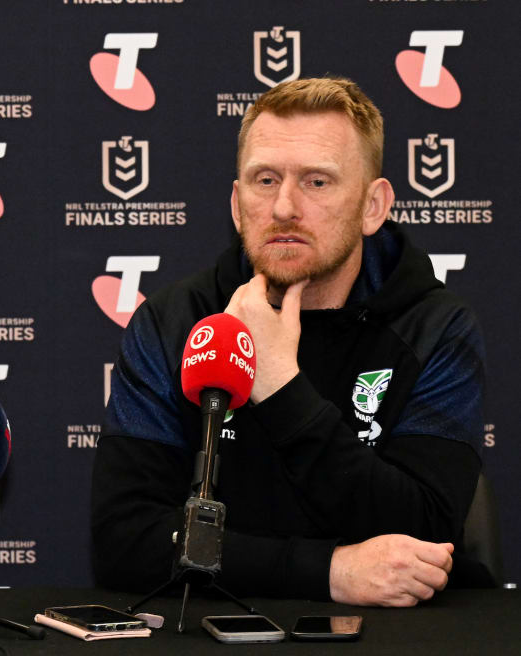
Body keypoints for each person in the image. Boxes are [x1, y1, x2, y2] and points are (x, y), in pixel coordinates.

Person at [92, 77, 486, 607]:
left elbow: (421, 534)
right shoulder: (175, 321)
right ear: (236, 203)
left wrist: (278, 382)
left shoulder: (434, 327)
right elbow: (123, 538)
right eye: (265, 180)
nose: (283, 207)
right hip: (214, 629)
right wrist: (327, 571)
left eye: (317, 182)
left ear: (373, 205)